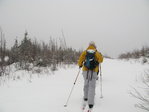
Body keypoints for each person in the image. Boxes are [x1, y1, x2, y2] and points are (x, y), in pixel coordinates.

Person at [78, 41, 103, 111]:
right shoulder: (96, 52)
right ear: (95, 46)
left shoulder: (85, 52)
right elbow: (101, 60)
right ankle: (90, 103)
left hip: (85, 70)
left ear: (89, 45)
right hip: (94, 71)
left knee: (86, 84)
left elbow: (80, 60)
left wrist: (80, 65)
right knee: (92, 86)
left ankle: (85, 97)